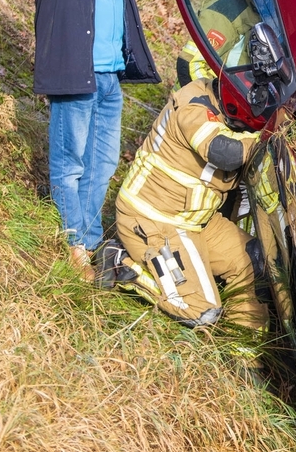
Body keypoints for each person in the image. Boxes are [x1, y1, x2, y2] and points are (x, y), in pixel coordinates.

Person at [5, 0, 165, 281]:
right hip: (73, 73)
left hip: (109, 76)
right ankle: (75, 241)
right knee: (70, 162)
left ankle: (91, 241)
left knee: (103, 162)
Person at [104, 76, 269, 332]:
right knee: (202, 311)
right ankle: (122, 264)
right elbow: (223, 151)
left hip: (195, 219)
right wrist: (268, 139)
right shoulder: (194, 105)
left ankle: (244, 353)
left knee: (254, 260)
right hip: (153, 220)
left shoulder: (225, 105)